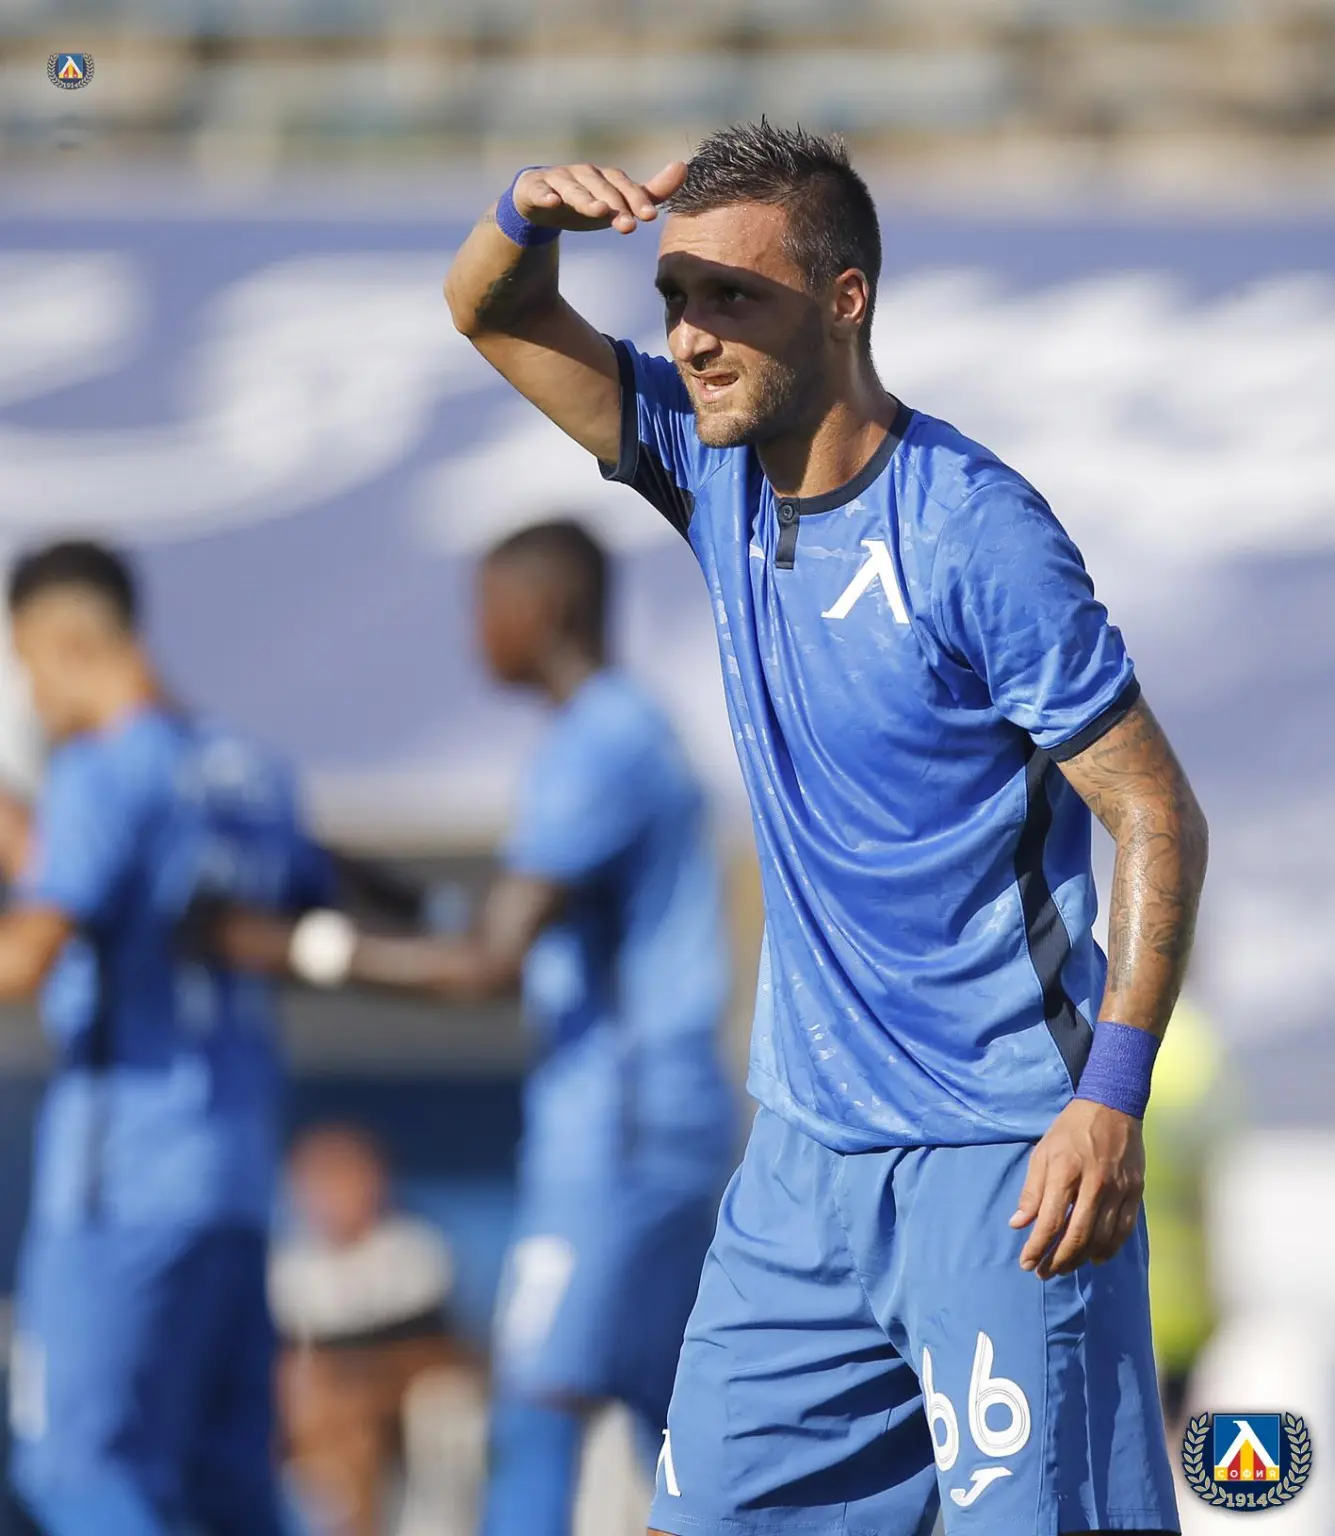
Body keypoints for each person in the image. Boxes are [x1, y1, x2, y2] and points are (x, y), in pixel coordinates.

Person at [437, 124, 1210, 1536]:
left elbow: (1154, 812)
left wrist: (1108, 1098)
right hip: (799, 1167)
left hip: (1000, 1157)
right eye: (674, 298)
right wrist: (523, 211)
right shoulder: (706, 462)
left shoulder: (974, 534)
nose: (689, 337)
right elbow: (491, 311)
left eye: (731, 298)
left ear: (845, 300)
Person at [213, 520, 736, 1536]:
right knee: (672, 1419)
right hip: (661, 1128)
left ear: (541, 610)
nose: (472, 635)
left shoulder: (595, 747)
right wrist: (376, 888)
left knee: (533, 1410)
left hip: (616, 1140)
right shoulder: (628, 732)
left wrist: (298, 948)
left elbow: (491, 963)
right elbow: (530, 946)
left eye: (485, 607)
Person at [0, 540, 335, 1536]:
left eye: (25, 667)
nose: (31, 697)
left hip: (120, 1183)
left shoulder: (101, 770)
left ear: (61, 642)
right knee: (223, 1488)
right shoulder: (251, 772)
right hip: (232, 1183)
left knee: (75, 1472)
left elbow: (30, 958)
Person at [271, 1124, 475, 1536]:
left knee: (425, 1411)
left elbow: (432, 1352)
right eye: (320, 1180)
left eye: (346, 1177)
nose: (335, 1194)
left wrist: (352, 1386)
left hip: (402, 1405)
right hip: (318, 1420)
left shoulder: (415, 1250)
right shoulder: (285, 1268)